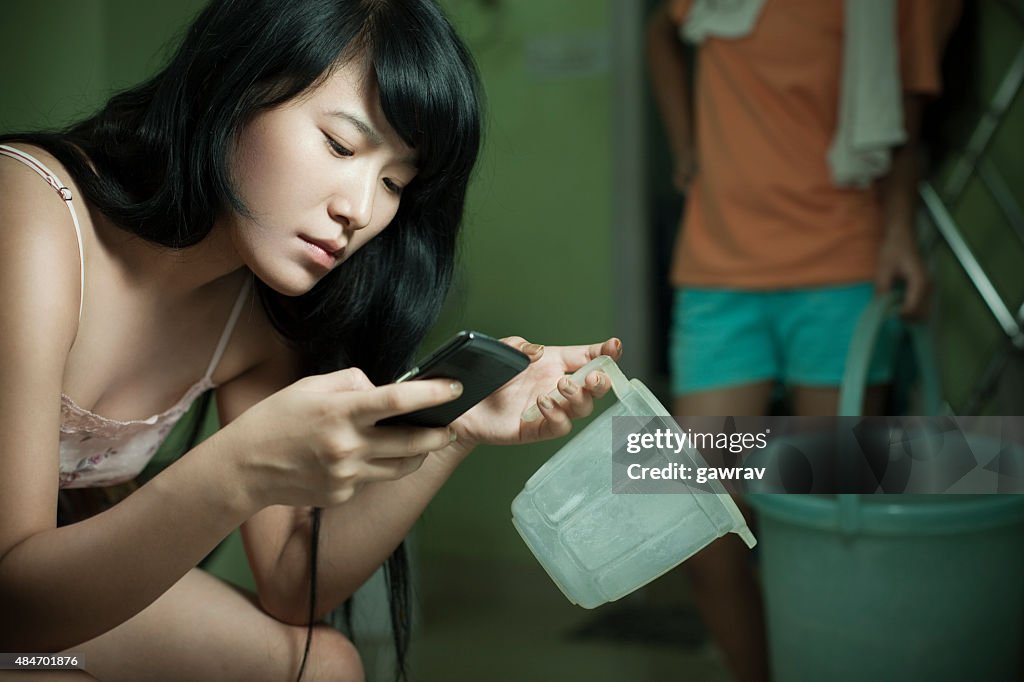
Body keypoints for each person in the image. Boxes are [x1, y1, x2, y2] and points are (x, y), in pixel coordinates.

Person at [0, 1, 622, 680]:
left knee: (322, 665)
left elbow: (297, 583)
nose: (359, 209)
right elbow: (16, 609)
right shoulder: (30, 216)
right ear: (233, 85)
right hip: (21, 602)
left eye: (393, 182)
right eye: (340, 145)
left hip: (38, 597)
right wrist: (236, 470)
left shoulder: (255, 316)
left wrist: (454, 428)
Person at [647, 1, 961, 680]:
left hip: (841, 268)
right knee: (695, 514)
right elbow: (660, 40)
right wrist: (684, 144)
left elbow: (907, 114)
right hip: (719, 274)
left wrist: (901, 229)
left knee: (832, 523)